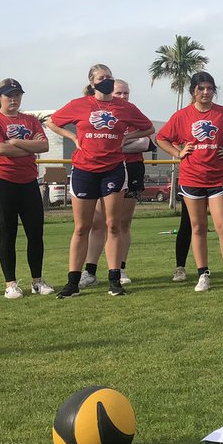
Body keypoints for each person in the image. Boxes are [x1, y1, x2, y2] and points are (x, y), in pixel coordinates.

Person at [47, 64, 153, 298]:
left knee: (113, 225)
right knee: (82, 227)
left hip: (113, 169)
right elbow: (51, 122)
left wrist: (126, 137)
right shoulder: (79, 104)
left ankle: (114, 280)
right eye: (102, 77)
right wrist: (72, 137)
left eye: (109, 77)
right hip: (84, 169)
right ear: (92, 82)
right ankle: (73, 282)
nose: (107, 80)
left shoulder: (124, 107)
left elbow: (148, 128)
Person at [156, 71, 223, 291]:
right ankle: (203, 274)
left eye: (210, 88)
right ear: (193, 91)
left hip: (217, 178)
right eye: (201, 88)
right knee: (198, 228)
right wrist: (178, 153)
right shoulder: (181, 116)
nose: (206, 92)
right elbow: (161, 138)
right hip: (192, 178)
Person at [0, 78, 52, 299]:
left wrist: (13, 142)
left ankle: (37, 281)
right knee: (8, 232)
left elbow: (44, 146)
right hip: (2, 179)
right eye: (9, 95)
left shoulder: (30, 120)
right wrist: (28, 147)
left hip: (28, 180)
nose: (13, 99)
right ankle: (10, 284)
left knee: (35, 232)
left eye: (17, 94)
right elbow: (0, 149)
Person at [79, 79, 149, 288]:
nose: (123, 96)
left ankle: (120, 268)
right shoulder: (98, 112)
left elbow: (145, 142)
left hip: (132, 168)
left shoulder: (130, 112)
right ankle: (90, 271)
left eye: (126, 93)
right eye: (119, 93)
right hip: (103, 170)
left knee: (121, 223)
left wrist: (114, 143)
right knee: (97, 223)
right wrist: (113, 144)